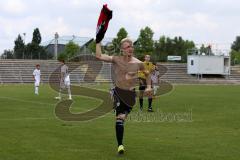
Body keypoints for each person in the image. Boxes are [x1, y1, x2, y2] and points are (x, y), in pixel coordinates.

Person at [96, 38, 152, 154]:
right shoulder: (116, 59)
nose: (130, 48)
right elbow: (99, 56)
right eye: (127, 47)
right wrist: (98, 42)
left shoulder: (137, 63)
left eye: (131, 46)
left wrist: (149, 87)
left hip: (130, 95)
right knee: (120, 119)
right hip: (118, 92)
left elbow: (147, 74)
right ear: (122, 49)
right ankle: (120, 145)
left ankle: (120, 142)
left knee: (121, 118)